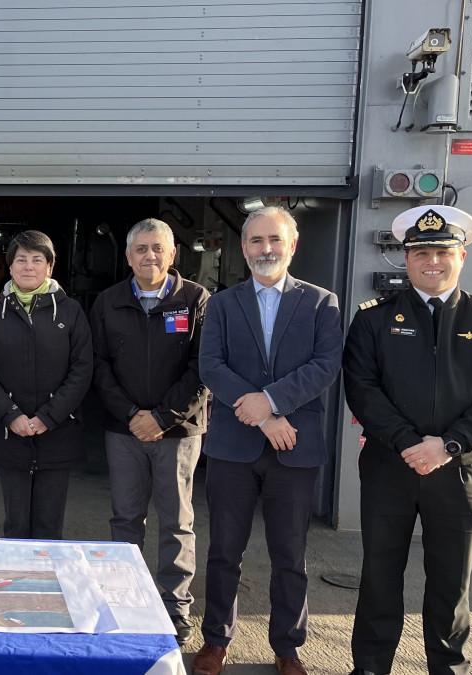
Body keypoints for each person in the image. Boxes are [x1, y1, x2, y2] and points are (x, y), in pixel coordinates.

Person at [344, 206, 472, 675]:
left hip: (460, 472)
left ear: (461, 255)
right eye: (421, 252)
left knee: (451, 586)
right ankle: (371, 668)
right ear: (406, 258)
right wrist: (406, 443)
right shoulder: (374, 320)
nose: (432, 261)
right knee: (379, 579)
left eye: (443, 251)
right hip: (389, 470)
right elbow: (361, 388)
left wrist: (447, 445)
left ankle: (448, 669)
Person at [194, 206, 342, 675]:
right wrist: (262, 417)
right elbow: (211, 366)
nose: (265, 249)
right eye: (256, 241)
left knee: (289, 555)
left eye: (274, 240)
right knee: (223, 552)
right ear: (243, 248)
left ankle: (287, 647)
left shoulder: (322, 303)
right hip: (233, 448)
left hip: (294, 446)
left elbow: (325, 365)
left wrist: (273, 403)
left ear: (291, 245)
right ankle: (216, 640)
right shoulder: (220, 304)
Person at [90, 217, 208, 645]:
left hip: (178, 433)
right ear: (128, 256)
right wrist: (131, 415)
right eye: (140, 249)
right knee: (125, 518)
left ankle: (175, 606)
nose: (149, 255)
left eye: (158, 248)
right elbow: (97, 366)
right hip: (124, 432)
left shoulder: (195, 299)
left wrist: (162, 417)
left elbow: (202, 368)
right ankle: (124, 600)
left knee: (177, 521)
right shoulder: (107, 301)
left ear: (172, 253)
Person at [0, 230, 92, 540]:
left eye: (37, 260)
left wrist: (48, 417)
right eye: (20, 259)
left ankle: (47, 585)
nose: (28, 267)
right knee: (16, 523)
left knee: (50, 526)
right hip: (10, 432)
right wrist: (11, 415)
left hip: (58, 431)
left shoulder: (70, 311)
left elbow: (82, 369)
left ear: (50, 266)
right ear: (9, 267)